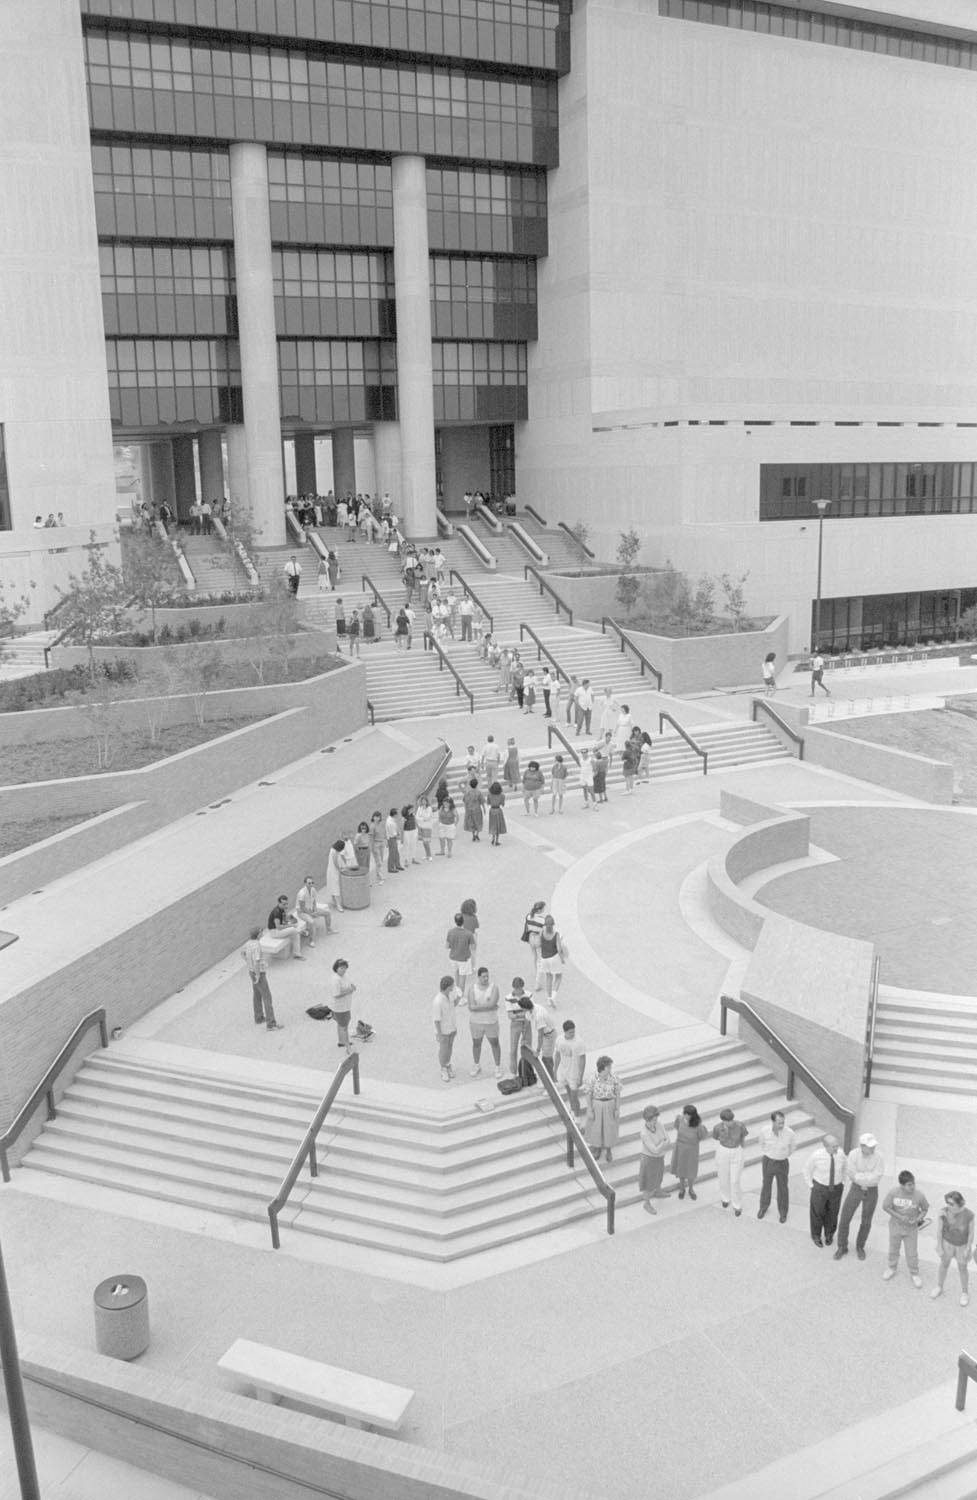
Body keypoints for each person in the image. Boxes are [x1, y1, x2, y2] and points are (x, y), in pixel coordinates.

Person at [834, 1132, 885, 1262]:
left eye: (873, 1146)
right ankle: (842, 1246)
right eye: (869, 1146)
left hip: (872, 1191)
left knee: (866, 1221)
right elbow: (851, 1174)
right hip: (855, 1189)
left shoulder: (879, 1156)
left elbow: (877, 1177)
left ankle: (860, 1246)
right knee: (845, 1217)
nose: (873, 1148)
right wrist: (867, 1176)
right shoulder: (853, 1154)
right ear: (862, 1146)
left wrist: (861, 1176)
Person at [882, 1170, 929, 1288]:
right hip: (895, 1227)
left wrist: (918, 1219)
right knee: (893, 1249)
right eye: (909, 1184)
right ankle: (891, 1268)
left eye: (913, 1183)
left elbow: (924, 1210)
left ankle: (914, 1273)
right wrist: (899, 1216)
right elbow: (885, 1207)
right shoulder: (893, 1192)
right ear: (902, 1185)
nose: (912, 1186)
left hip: (911, 1229)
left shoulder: (919, 1195)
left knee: (912, 1252)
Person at [804, 1134, 847, 1248]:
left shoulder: (841, 1154)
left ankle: (829, 1234)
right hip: (820, 1188)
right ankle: (816, 1236)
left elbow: (845, 1167)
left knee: (833, 1213)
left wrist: (843, 1182)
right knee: (817, 1212)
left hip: (836, 1188)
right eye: (834, 1146)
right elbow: (807, 1170)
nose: (837, 1148)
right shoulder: (816, 1156)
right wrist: (811, 1185)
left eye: (837, 1145)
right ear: (826, 1146)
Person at [932, 1191, 974, 1306]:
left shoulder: (969, 1215)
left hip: (962, 1246)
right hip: (947, 1244)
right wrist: (939, 1245)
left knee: (962, 1268)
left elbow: (971, 1233)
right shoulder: (943, 1212)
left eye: (952, 1204)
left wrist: (968, 1247)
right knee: (944, 1264)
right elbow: (939, 1231)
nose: (948, 1206)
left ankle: (965, 1293)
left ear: (960, 1203)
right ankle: (939, 1286)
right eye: (947, 1203)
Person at [757, 1109, 795, 1223]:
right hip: (768, 1161)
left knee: (783, 1187)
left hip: (782, 1162)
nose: (782, 1125)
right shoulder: (765, 1131)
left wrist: (783, 1155)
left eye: (783, 1122)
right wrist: (770, 1153)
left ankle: (783, 1212)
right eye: (779, 1122)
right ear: (772, 1122)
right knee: (766, 1185)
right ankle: (763, 1207)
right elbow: (761, 1143)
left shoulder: (790, 1133)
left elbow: (792, 1147)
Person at [241, 928, 282, 1030]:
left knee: (257, 995)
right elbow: (257, 961)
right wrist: (258, 975)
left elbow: (242, 953)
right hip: (258, 973)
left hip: (251, 972)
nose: (262, 934)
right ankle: (271, 1024)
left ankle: (258, 1017)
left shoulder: (248, 943)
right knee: (267, 998)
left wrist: (248, 962)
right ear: (258, 935)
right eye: (261, 933)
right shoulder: (257, 946)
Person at [712, 1107, 749, 1216]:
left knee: (735, 1180)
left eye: (731, 1120)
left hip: (737, 1151)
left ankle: (737, 1205)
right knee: (723, 1177)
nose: (730, 1122)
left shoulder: (740, 1125)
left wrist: (741, 1148)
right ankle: (725, 1198)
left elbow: (743, 1137)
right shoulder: (717, 1128)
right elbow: (716, 1138)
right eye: (727, 1121)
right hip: (723, 1151)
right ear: (722, 1120)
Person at [584, 1056, 621, 1163]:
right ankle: (597, 1148)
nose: (610, 1069)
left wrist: (617, 1108)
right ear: (602, 1068)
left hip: (610, 1104)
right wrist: (590, 1109)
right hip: (597, 1104)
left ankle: (608, 1150)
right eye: (608, 1067)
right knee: (596, 1127)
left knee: (609, 1127)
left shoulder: (614, 1078)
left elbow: (618, 1094)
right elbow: (588, 1094)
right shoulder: (592, 1079)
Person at [671, 1103, 708, 1200]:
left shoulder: (698, 1125)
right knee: (681, 1169)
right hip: (680, 1148)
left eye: (689, 1114)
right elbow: (676, 1127)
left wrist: (694, 1141)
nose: (686, 1116)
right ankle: (682, 1189)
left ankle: (691, 1189)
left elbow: (703, 1136)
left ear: (693, 1115)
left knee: (691, 1171)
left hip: (692, 1150)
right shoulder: (679, 1119)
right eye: (685, 1114)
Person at [639, 1105, 670, 1214]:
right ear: (647, 1120)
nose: (655, 1122)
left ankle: (658, 1191)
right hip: (649, 1159)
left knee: (659, 1174)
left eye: (656, 1120)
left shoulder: (659, 1124)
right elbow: (654, 1150)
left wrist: (661, 1145)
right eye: (652, 1120)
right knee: (648, 1182)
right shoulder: (644, 1133)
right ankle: (646, 1203)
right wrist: (663, 1143)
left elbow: (668, 1139)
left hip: (659, 1157)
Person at [555, 1020, 586, 1115]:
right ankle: (573, 1110)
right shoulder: (559, 1039)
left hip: (574, 1073)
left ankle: (577, 1116)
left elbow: (583, 1060)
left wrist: (580, 1077)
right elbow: (557, 1055)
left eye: (573, 1031)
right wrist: (555, 1070)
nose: (572, 1034)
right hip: (564, 1072)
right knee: (569, 1093)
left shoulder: (579, 1042)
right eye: (570, 1032)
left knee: (574, 1096)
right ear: (565, 1031)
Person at [505, 979, 534, 1076]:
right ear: (513, 987)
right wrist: (523, 1014)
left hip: (526, 1023)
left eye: (520, 988)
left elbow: (530, 1011)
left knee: (528, 1048)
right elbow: (510, 1016)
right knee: (513, 1050)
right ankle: (513, 1073)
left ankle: (527, 1072)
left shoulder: (529, 994)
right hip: (516, 1025)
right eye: (517, 988)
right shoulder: (508, 997)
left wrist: (517, 1014)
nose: (518, 990)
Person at [537, 915, 568, 1003]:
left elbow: (539, 945)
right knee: (558, 976)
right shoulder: (556, 934)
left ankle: (548, 997)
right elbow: (559, 949)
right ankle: (553, 997)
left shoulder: (541, 932)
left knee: (548, 978)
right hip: (554, 958)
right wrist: (562, 959)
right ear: (553, 924)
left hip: (544, 958)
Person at [446, 913, 477, 997]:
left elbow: (447, 946)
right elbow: (473, 947)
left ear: (455, 921)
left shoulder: (450, 932)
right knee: (462, 978)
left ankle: (457, 994)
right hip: (464, 959)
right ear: (463, 922)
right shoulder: (468, 933)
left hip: (453, 958)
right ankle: (461, 998)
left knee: (456, 975)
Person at [295, 875, 334, 940]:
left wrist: (315, 909)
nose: (311, 884)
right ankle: (311, 941)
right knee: (312, 922)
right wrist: (311, 914)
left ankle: (329, 930)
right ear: (305, 883)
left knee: (327, 913)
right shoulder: (301, 893)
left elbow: (314, 900)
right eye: (309, 883)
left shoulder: (313, 889)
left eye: (312, 883)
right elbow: (302, 908)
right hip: (302, 912)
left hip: (311, 909)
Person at [330, 958, 356, 1053]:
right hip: (340, 1008)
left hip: (345, 1006)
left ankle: (341, 1041)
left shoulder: (344, 976)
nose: (344, 970)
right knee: (344, 1027)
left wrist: (352, 986)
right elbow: (336, 994)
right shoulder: (335, 980)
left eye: (345, 968)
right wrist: (349, 990)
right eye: (341, 968)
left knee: (341, 1025)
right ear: (336, 968)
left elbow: (349, 984)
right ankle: (348, 1047)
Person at [267, 894, 305, 959]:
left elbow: (285, 918)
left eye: (287, 903)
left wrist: (291, 920)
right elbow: (278, 927)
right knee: (294, 930)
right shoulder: (277, 912)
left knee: (295, 931)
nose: (286, 905)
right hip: (274, 932)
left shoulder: (282, 909)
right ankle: (297, 954)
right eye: (284, 904)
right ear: (279, 903)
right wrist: (291, 925)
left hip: (279, 930)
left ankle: (297, 954)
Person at [523, 899, 547, 990]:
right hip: (537, 938)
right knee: (541, 959)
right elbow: (544, 932)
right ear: (540, 910)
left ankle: (537, 972)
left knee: (534, 957)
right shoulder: (542, 920)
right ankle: (538, 981)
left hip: (531, 938)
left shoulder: (528, 916)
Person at [533, 997, 558, 1077]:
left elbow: (540, 1036)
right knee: (547, 1058)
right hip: (546, 1034)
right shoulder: (535, 1006)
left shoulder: (539, 1017)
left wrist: (537, 1050)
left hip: (549, 1035)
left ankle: (552, 1079)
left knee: (546, 1059)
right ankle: (550, 1077)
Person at [324, 839, 351, 911]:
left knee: (332, 887)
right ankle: (338, 906)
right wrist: (340, 869)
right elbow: (335, 862)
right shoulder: (334, 852)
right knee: (336, 888)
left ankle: (334, 902)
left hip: (330, 871)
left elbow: (338, 860)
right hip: (333, 872)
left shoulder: (332, 849)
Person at [369, 809, 386, 883]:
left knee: (381, 861)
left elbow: (383, 834)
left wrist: (385, 841)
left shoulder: (380, 824)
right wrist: (372, 848)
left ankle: (378, 876)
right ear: (373, 817)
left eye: (378, 817)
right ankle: (380, 878)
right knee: (378, 862)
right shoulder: (372, 826)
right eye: (376, 817)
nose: (377, 818)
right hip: (376, 844)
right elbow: (371, 838)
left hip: (382, 843)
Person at [415, 795, 435, 860]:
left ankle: (429, 855)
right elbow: (416, 817)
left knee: (426, 842)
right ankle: (426, 855)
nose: (423, 802)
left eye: (425, 801)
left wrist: (421, 818)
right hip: (421, 827)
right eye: (422, 801)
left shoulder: (429, 808)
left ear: (426, 801)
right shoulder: (419, 808)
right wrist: (422, 818)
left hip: (427, 827)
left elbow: (428, 817)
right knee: (423, 842)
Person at [487, 782, 507, 846]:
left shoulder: (489, 795)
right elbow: (503, 804)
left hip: (492, 810)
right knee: (498, 825)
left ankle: (493, 838)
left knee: (493, 824)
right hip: (498, 810)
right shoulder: (502, 795)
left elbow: (488, 803)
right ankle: (497, 841)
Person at [385, 807, 403, 872]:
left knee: (396, 853)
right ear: (394, 814)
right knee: (392, 854)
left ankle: (397, 865)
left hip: (393, 838)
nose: (398, 815)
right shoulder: (390, 822)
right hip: (391, 839)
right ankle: (391, 868)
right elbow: (393, 834)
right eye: (397, 813)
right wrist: (399, 836)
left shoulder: (392, 819)